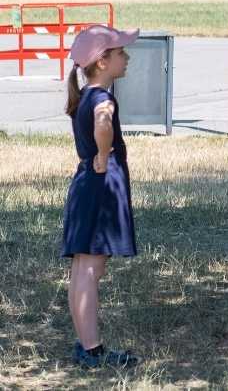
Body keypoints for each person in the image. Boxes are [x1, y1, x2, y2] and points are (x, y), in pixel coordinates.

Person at [61, 24, 142, 369]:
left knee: (83, 268)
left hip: (85, 185)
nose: (127, 57)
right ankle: (92, 350)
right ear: (102, 61)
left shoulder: (86, 94)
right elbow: (103, 122)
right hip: (100, 184)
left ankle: (87, 344)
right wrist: (105, 154)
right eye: (121, 52)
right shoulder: (102, 99)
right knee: (92, 269)